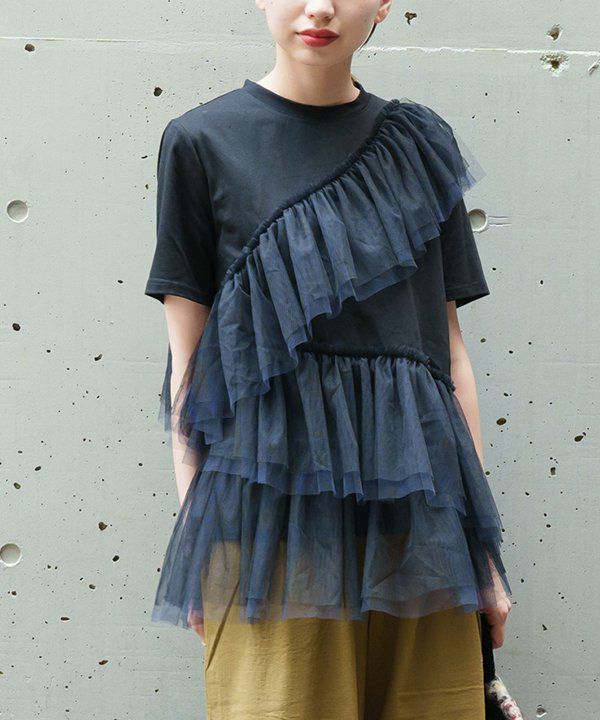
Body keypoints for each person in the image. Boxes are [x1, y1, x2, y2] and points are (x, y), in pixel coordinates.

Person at [144, 1, 514, 717]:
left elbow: (449, 358)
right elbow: (189, 371)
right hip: (271, 530)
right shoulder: (200, 142)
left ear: (384, 4)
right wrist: (202, 547)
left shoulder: (419, 145)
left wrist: (482, 552)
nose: (319, 8)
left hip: (420, 528)